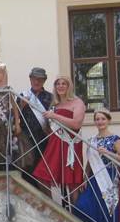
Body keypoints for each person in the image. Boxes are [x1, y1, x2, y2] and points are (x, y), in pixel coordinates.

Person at [72, 108, 120, 222]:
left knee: (105, 209)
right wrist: (85, 177)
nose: (100, 121)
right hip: (93, 178)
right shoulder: (91, 140)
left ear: (108, 120)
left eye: (103, 119)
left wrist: (109, 153)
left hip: (108, 177)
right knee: (82, 206)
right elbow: (90, 162)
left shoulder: (115, 139)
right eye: (97, 119)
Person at [32, 75, 85, 203]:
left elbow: (76, 124)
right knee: (42, 174)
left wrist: (54, 115)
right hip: (55, 143)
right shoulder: (55, 104)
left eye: (64, 83)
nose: (60, 86)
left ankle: (76, 217)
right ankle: (53, 208)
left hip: (70, 144)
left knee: (72, 182)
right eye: (58, 84)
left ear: (69, 86)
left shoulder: (77, 102)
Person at [16, 67, 53, 175]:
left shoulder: (50, 97)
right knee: (27, 169)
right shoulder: (22, 96)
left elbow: (54, 118)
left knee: (44, 170)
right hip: (26, 138)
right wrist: (22, 106)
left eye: (40, 79)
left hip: (44, 138)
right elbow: (14, 117)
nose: (36, 82)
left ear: (44, 81)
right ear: (30, 79)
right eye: (34, 79)